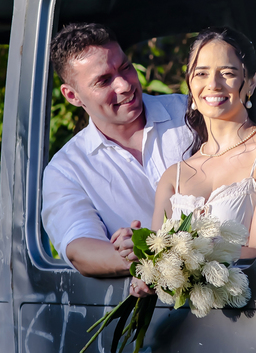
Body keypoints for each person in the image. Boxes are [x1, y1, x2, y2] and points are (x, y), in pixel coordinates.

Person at [120, 27, 256, 294]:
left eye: (228, 73)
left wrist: (190, 257)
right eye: (201, 73)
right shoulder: (174, 176)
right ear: (189, 83)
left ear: (252, 82)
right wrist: (145, 267)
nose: (213, 84)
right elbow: (157, 260)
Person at [42, 23, 193, 276]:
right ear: (72, 96)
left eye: (125, 67)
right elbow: (79, 248)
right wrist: (139, 256)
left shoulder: (191, 115)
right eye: (104, 80)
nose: (124, 85)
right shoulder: (66, 170)